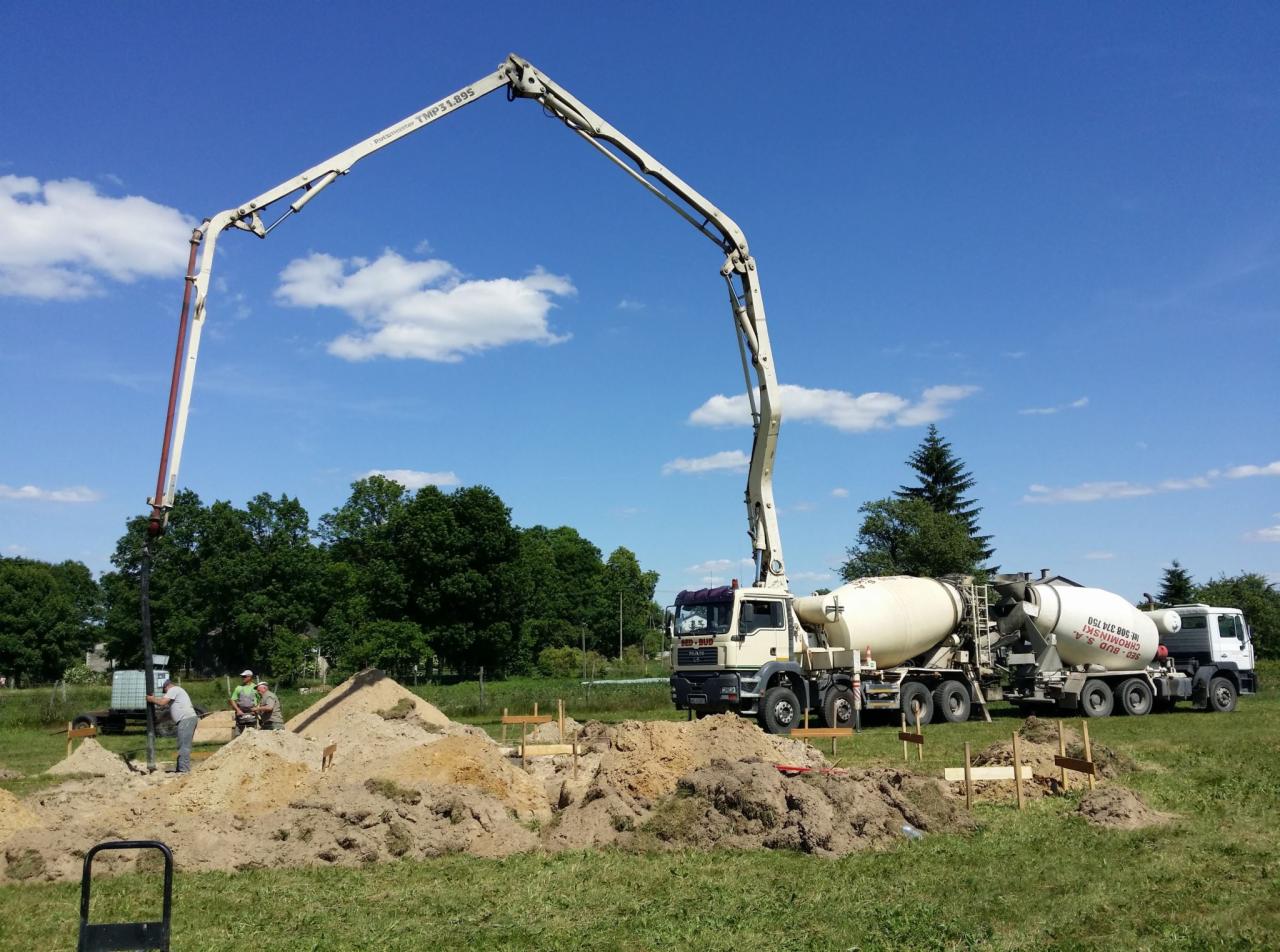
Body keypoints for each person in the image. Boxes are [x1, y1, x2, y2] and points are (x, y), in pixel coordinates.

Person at [146, 677, 198, 773]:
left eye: (164, 691)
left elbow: (162, 702)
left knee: (183, 745)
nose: (165, 693)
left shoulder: (173, 689)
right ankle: (181, 769)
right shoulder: (177, 692)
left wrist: (152, 699)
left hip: (185, 720)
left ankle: (183, 770)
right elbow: (167, 709)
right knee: (182, 744)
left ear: (167, 686)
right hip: (187, 719)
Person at [229, 669, 258, 735]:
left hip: (252, 713)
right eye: (242, 676)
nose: (243, 678)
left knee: (253, 734)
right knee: (238, 734)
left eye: (244, 676)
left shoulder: (256, 688)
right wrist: (238, 710)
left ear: (250, 677)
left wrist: (256, 709)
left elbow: (260, 700)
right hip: (240, 714)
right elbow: (232, 700)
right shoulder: (238, 688)